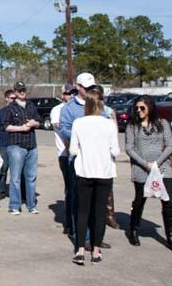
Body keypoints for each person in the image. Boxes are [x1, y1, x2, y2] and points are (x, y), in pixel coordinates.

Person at [59, 73, 115, 247]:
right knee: (80, 203)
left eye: (92, 87)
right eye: (86, 88)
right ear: (78, 87)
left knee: (97, 203)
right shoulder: (69, 108)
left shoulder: (101, 106)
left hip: (99, 160)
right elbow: (64, 130)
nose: (90, 90)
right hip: (79, 160)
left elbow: (108, 131)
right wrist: (83, 136)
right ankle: (84, 239)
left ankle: (97, 238)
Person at [69, 87, 119, 265]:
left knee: (82, 211)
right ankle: (96, 250)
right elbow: (116, 151)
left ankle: (80, 249)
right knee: (99, 213)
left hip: (84, 171)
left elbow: (73, 150)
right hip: (104, 172)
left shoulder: (79, 123)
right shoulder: (109, 124)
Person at [125, 95, 172, 253]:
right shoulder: (132, 126)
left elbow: (170, 145)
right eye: (136, 108)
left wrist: (157, 163)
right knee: (139, 200)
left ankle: (170, 236)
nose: (139, 111)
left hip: (162, 168)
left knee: (168, 202)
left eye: (142, 108)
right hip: (141, 168)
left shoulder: (163, 124)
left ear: (150, 107)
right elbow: (129, 148)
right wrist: (145, 164)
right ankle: (134, 231)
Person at [2, 81, 40, 215]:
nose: (22, 92)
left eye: (23, 89)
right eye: (19, 90)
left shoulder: (31, 105)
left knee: (31, 177)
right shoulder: (10, 108)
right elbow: (5, 126)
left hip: (31, 146)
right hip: (16, 146)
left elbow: (38, 121)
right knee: (15, 178)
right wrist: (21, 128)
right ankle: (15, 205)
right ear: (15, 92)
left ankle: (31, 205)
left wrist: (33, 123)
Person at [50, 83, 77, 235]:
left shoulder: (78, 108)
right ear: (62, 95)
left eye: (73, 93)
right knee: (71, 190)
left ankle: (74, 222)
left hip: (77, 155)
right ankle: (69, 223)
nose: (70, 96)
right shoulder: (57, 110)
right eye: (67, 94)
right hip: (65, 155)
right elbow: (63, 133)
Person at [0, 89, 16, 201]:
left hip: (16, 145)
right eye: (11, 98)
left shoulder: (20, 111)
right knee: (2, 169)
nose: (13, 100)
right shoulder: (0, 112)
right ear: (6, 98)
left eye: (15, 98)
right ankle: (1, 191)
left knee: (17, 170)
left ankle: (18, 193)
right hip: (4, 145)